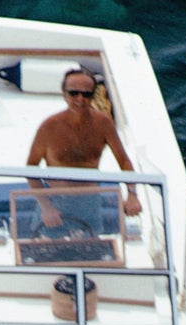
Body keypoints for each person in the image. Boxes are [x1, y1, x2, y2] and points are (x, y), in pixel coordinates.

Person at [26, 68, 142, 220]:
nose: (80, 99)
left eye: (86, 94)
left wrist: (132, 194)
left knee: (92, 242)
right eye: (74, 93)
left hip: (90, 201)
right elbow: (31, 168)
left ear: (93, 96)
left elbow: (124, 161)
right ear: (64, 94)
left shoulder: (104, 124)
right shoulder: (49, 126)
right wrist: (46, 207)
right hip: (54, 200)